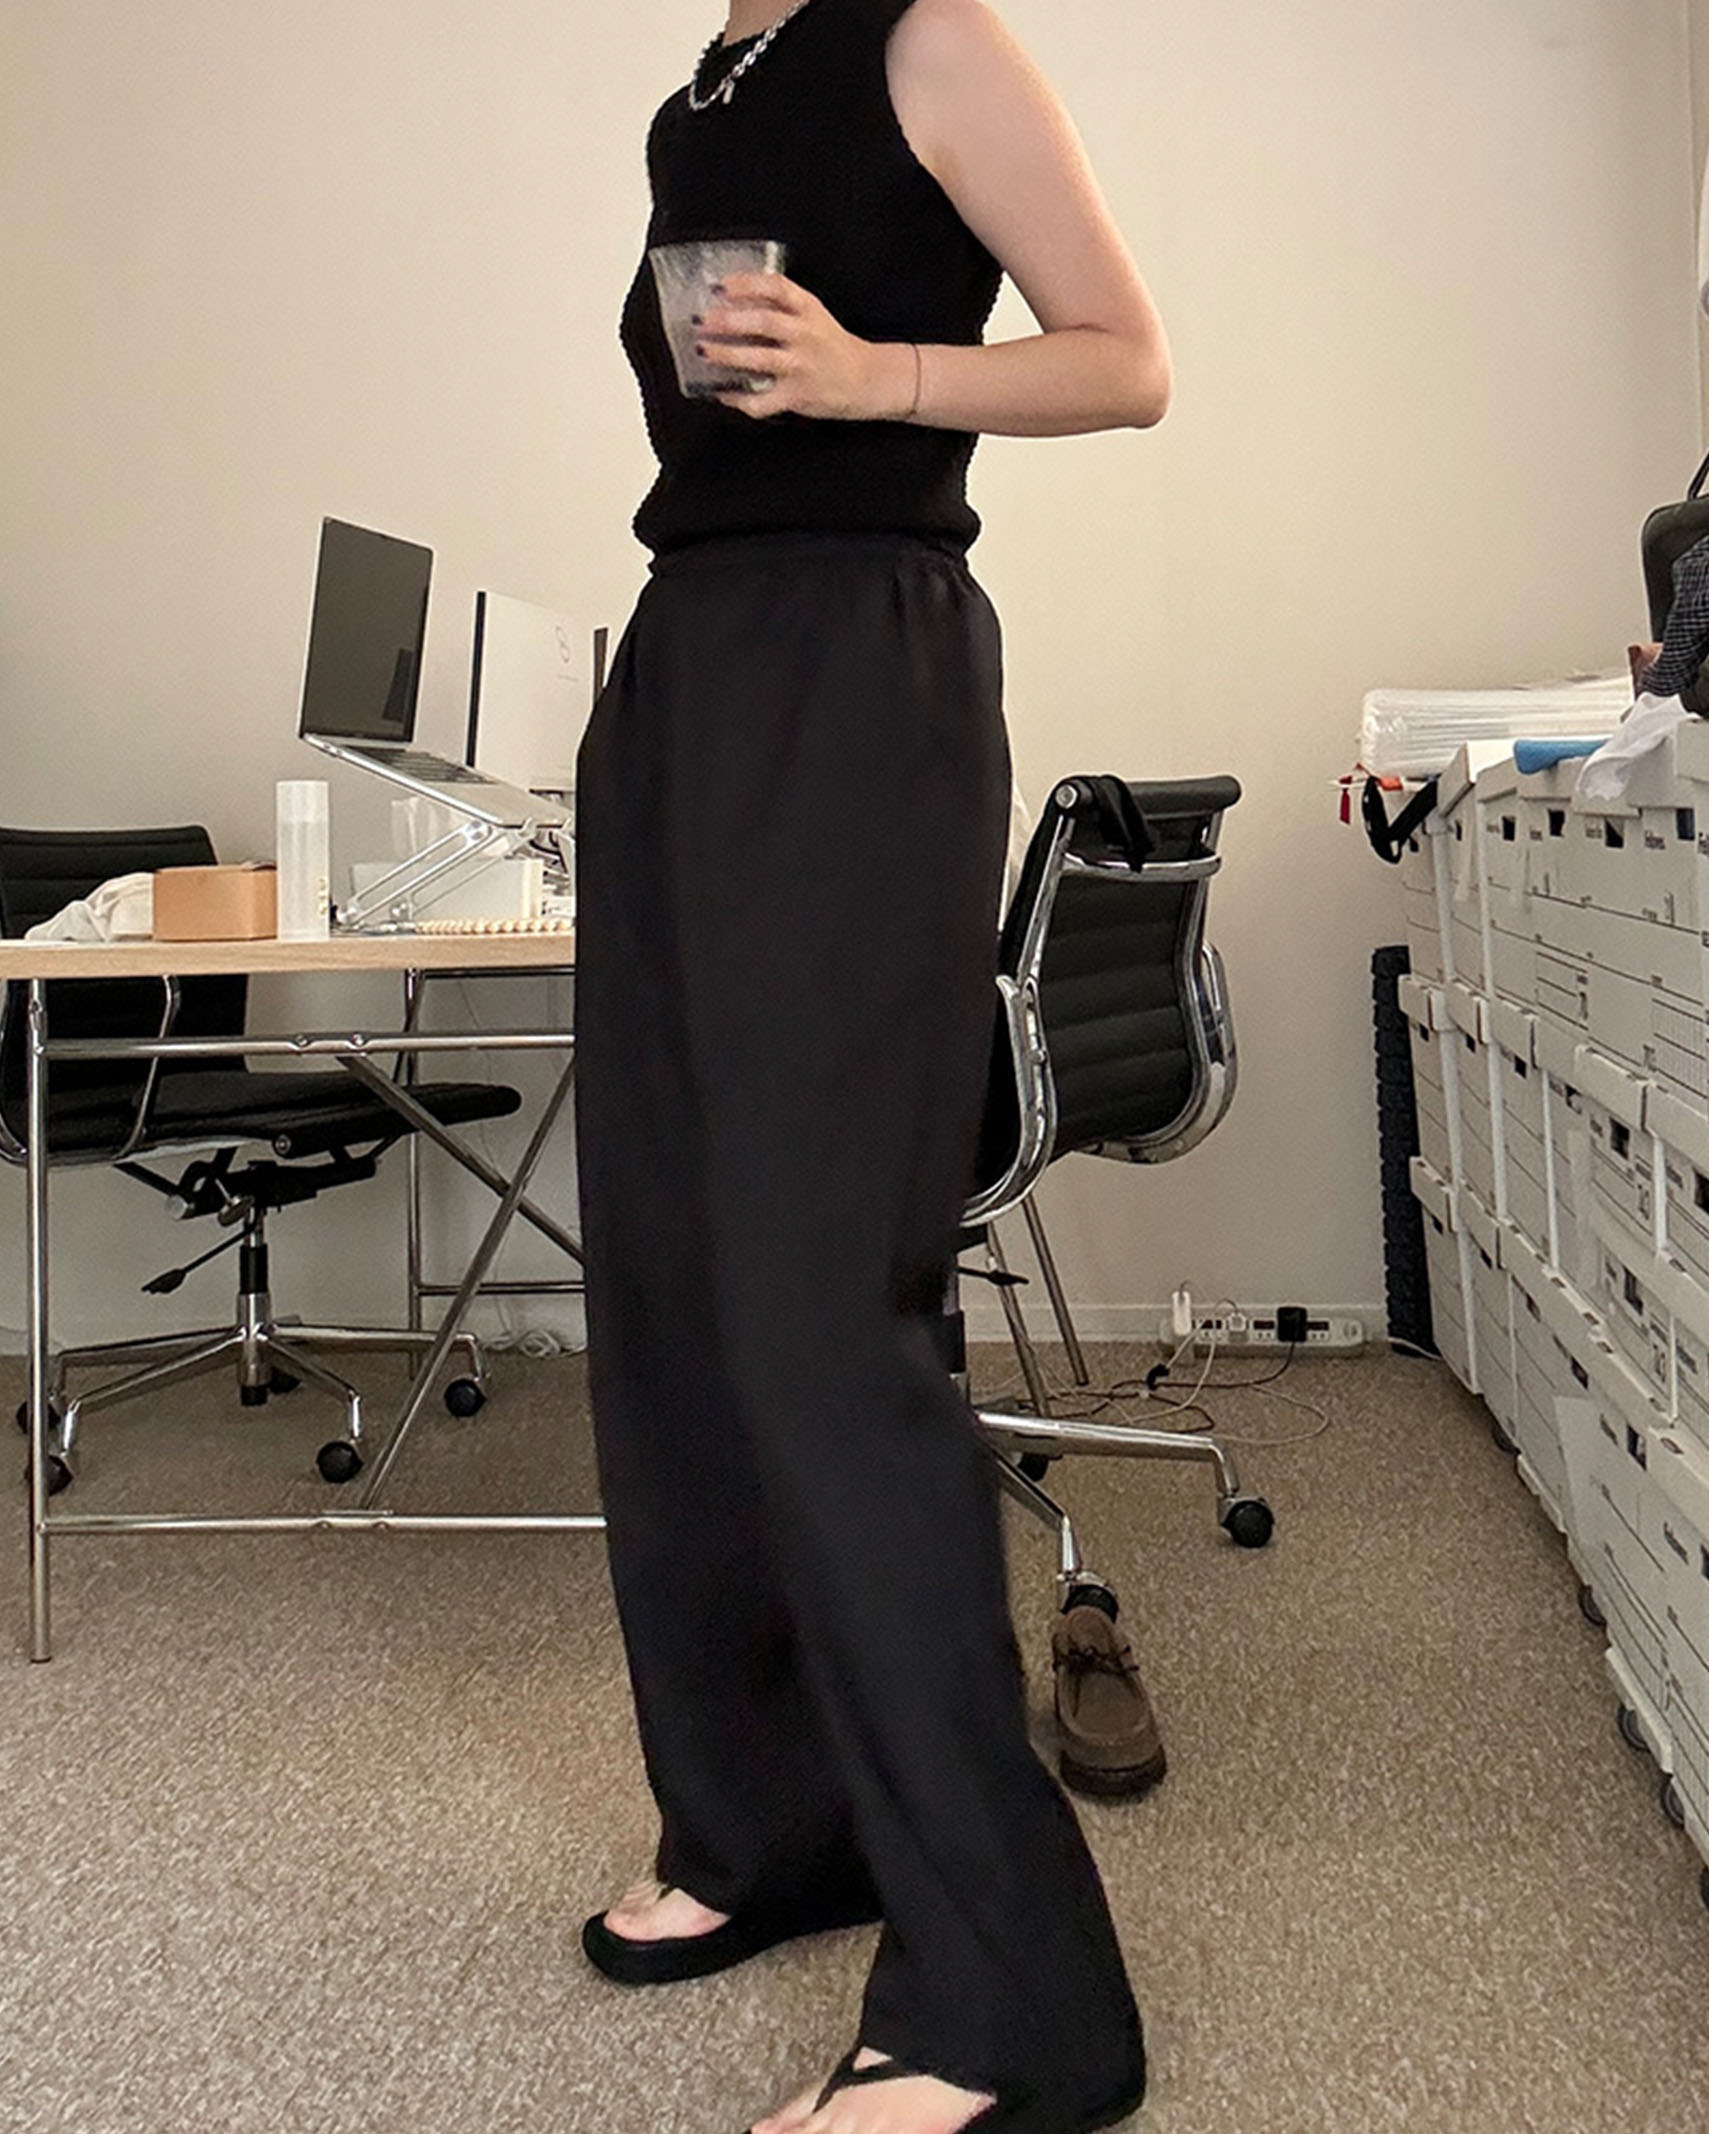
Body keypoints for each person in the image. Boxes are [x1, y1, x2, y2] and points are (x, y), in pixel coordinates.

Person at [571, 1, 1172, 2128]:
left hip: (855, 661)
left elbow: (1126, 357)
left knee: (829, 1316)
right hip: (693, 661)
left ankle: (1013, 2004)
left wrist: (879, 375)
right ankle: (776, 1819)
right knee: (670, 1290)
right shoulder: (705, 84)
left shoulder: (926, 34)